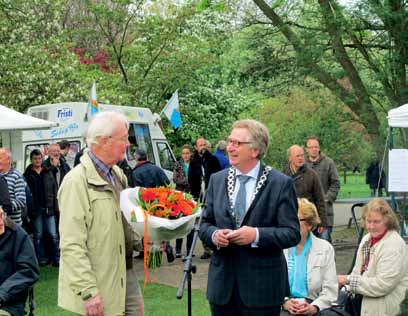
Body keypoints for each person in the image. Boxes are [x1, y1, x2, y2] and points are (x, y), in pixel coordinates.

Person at [199, 119, 300, 316]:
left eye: (237, 143)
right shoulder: (217, 180)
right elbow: (204, 224)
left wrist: (256, 235)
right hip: (222, 289)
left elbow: (291, 233)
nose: (230, 148)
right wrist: (214, 235)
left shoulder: (280, 184)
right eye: (230, 141)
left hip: (262, 290)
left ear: (255, 150)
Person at [58, 111, 143, 316]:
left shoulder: (117, 174)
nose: (128, 144)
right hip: (99, 283)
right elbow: (72, 244)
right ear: (104, 141)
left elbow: (124, 220)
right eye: (124, 138)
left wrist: (148, 236)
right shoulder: (76, 182)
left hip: (126, 273)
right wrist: (88, 291)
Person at [338, 198, 408, 316]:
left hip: (387, 309)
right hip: (363, 303)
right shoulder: (367, 239)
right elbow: (357, 271)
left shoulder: (394, 245)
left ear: (387, 221)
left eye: (376, 222)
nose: (371, 226)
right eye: (368, 221)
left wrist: (348, 280)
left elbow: (382, 285)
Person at [281, 198, 338, 316]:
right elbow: (269, 285)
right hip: (283, 307)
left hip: (313, 305)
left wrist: (314, 307)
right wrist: (284, 302)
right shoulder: (279, 247)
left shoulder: (325, 249)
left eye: (296, 220)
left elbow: (330, 290)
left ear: (310, 225)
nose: (290, 224)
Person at [0, 207, 40, 316]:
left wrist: (2, 294)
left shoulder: (17, 234)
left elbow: (29, 271)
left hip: (9, 303)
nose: (1, 222)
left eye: (1, 215)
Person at [23, 149, 60, 267]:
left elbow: (54, 190)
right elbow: (26, 194)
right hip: (35, 209)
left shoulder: (48, 171)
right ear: (31, 160)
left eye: (39, 158)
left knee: (53, 234)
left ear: (42, 159)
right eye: (35, 159)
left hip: (49, 207)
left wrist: (56, 207)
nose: (37, 161)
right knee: (38, 235)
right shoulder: (27, 175)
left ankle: (57, 258)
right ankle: (41, 259)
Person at [283, 145, 328, 234]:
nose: (300, 158)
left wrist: (322, 222)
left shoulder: (312, 174)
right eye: (297, 156)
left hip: (308, 220)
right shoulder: (282, 175)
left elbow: (320, 199)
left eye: (302, 155)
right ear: (290, 158)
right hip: (289, 219)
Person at [189, 137, 221, 259]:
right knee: (201, 220)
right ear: (196, 148)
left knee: (212, 218)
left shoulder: (213, 160)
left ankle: (214, 246)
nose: (202, 147)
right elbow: (191, 179)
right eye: (200, 145)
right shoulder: (194, 161)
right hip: (198, 194)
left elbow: (218, 176)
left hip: (211, 193)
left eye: (204, 144)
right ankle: (206, 248)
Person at [305, 136, 340, 243]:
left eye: (316, 147)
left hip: (325, 214)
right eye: (311, 147)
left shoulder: (328, 163)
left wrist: (326, 198)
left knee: (325, 244)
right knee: (307, 246)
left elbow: (336, 183)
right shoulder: (303, 165)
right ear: (306, 149)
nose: (314, 149)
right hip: (307, 215)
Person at [173, 144, 194, 258]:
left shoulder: (194, 164)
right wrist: (188, 181)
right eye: (183, 153)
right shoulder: (178, 164)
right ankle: (178, 249)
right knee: (180, 223)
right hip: (180, 196)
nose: (185, 155)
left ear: (191, 154)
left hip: (192, 196)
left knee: (190, 223)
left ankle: (190, 250)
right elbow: (176, 179)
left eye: (187, 153)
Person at [0, 148, 26, 226]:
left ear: (8, 160)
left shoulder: (16, 176)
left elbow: (21, 200)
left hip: (12, 225)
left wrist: (3, 208)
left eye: (0, 158)